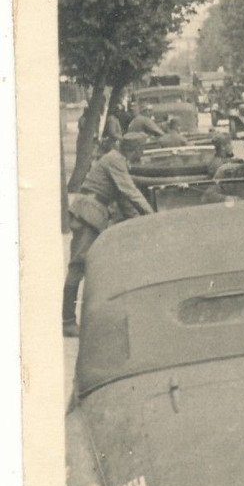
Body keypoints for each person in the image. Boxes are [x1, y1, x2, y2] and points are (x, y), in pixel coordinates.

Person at [62, 132, 155, 337]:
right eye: (141, 149)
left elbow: (124, 201)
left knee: (96, 266)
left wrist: (142, 221)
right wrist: (152, 216)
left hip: (94, 213)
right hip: (88, 213)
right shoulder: (115, 160)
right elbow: (130, 192)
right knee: (78, 266)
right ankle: (67, 321)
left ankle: (88, 318)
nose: (142, 154)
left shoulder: (117, 160)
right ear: (134, 149)